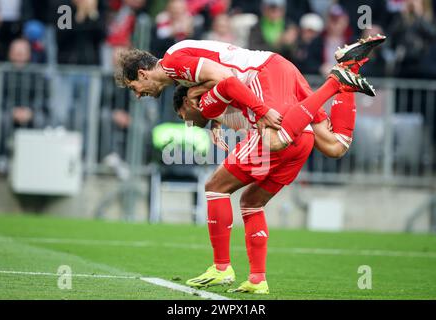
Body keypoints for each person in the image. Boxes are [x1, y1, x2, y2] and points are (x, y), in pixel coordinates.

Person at [115, 36, 384, 293]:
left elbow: (228, 80)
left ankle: (334, 82)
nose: (138, 94)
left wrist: (259, 110)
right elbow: (224, 83)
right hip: (280, 81)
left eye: (133, 87)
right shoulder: (190, 82)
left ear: (142, 73)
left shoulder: (173, 63)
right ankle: (348, 72)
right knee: (334, 146)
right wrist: (216, 110)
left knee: (228, 176)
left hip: (266, 71)